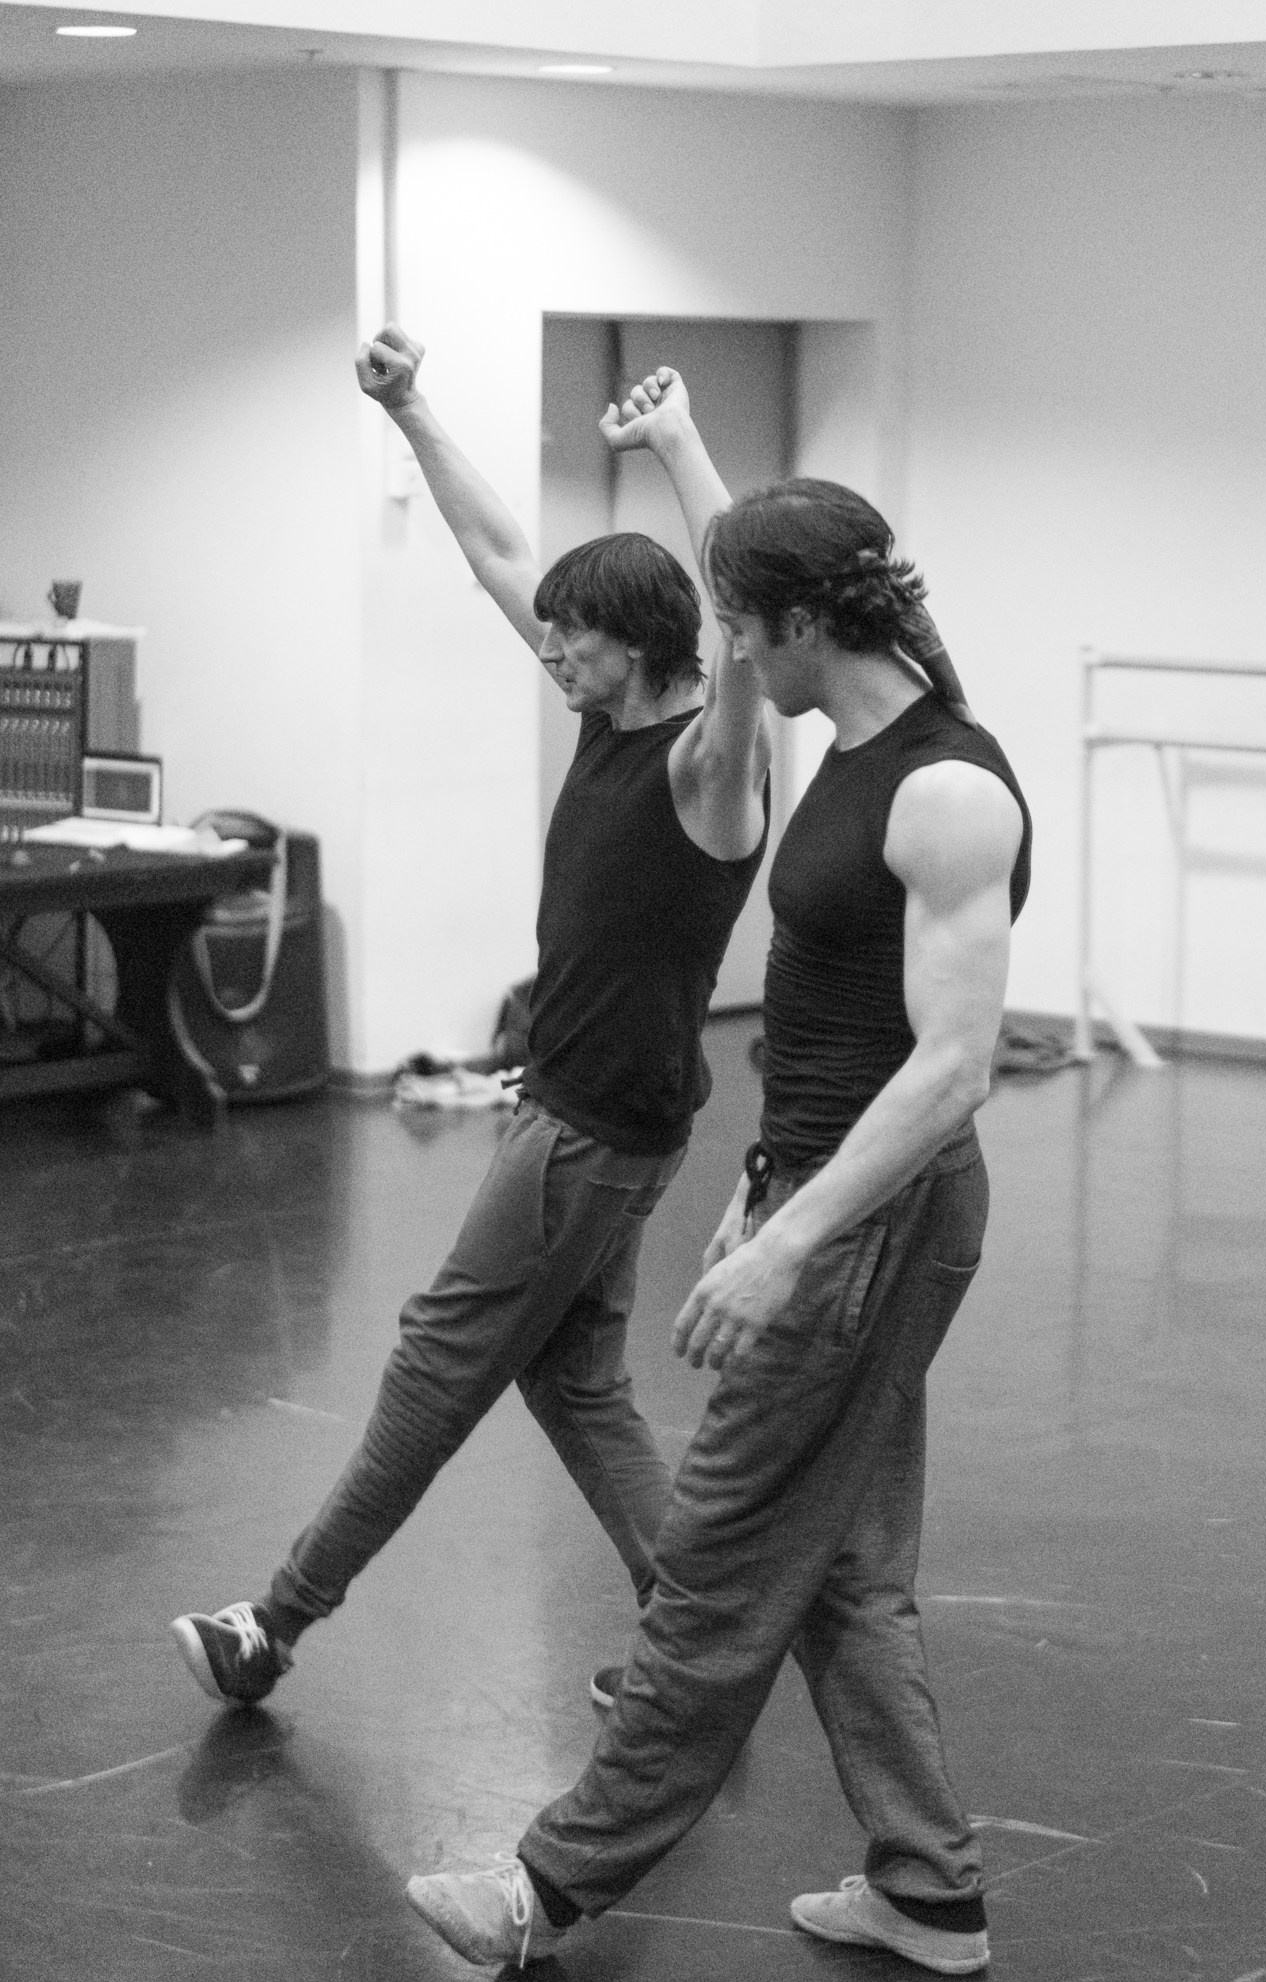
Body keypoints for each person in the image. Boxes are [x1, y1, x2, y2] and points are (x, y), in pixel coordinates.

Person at [405, 413, 1033, 1977]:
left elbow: (953, 1068)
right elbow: (760, 559)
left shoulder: (945, 793)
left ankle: (547, 1889)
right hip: (829, 1194)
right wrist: (685, 444)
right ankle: (928, 1888)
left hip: (872, 1222)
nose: (730, 654)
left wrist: (789, 1241)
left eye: (744, 626)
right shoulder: (867, 735)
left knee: (717, 1562)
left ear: (807, 622)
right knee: (845, 1575)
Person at [170, 331, 769, 1707]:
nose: (548, 650)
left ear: (646, 645)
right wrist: (414, 412)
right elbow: (500, 551)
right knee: (577, 1386)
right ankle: (701, 1644)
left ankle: (274, 1625)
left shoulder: (710, 767)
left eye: (573, 638)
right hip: (587, 1115)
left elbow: (740, 620)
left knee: (439, 1365)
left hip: (587, 1136)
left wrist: (680, 445)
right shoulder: (609, 717)